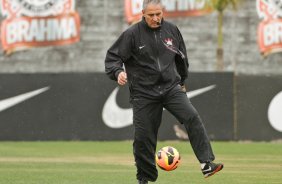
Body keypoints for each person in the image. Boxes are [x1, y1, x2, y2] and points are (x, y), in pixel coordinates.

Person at [105, 0, 223, 183]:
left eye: (158, 14)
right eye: (151, 15)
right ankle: (144, 178)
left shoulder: (172, 30)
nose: (155, 18)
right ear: (142, 13)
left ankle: (207, 163)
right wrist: (117, 72)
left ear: (163, 11)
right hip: (143, 93)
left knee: (192, 117)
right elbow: (113, 57)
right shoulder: (131, 34)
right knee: (143, 138)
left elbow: (181, 57)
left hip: (171, 88)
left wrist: (182, 80)